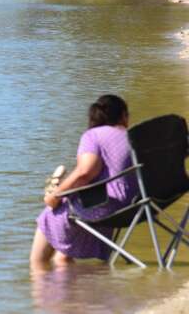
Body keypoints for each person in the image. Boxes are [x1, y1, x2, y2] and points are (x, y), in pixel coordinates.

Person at [30, 94, 138, 270]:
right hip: (136, 206)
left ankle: (40, 281)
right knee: (61, 257)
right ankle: (76, 288)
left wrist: (56, 196)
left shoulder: (93, 135)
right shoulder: (136, 137)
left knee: (50, 215)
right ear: (123, 116)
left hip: (107, 208)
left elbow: (85, 172)